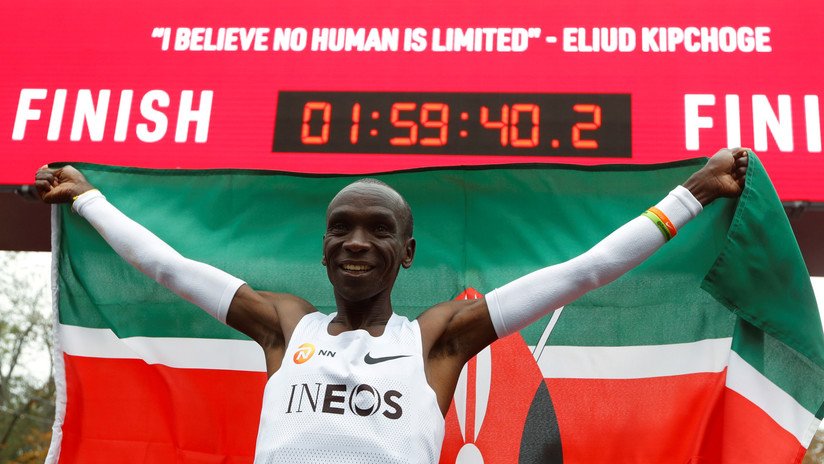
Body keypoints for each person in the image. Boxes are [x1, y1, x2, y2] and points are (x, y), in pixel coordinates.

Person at [35, 148, 749, 463]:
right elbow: (169, 267)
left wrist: (694, 192)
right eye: (341, 227)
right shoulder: (287, 326)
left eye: (380, 230)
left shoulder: (438, 341)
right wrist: (88, 197)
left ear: (406, 253)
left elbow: (582, 271)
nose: (356, 241)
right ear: (321, 250)